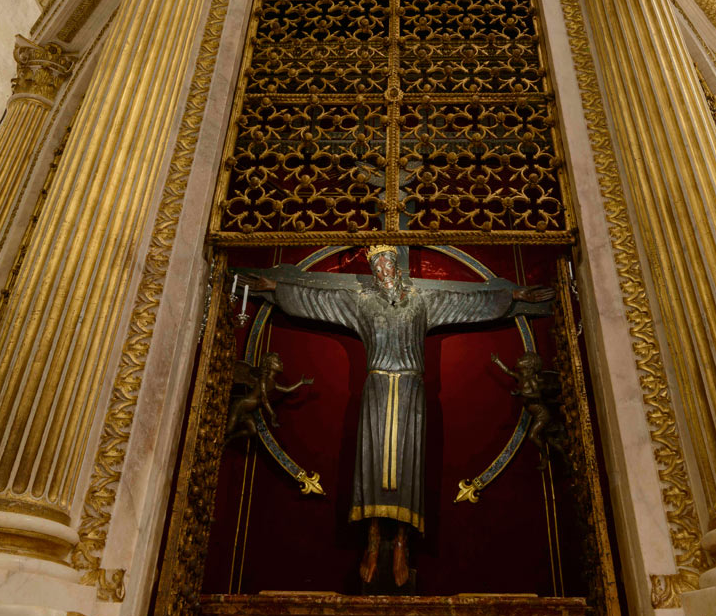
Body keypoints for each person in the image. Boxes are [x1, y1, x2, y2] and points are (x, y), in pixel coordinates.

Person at [236, 245, 552, 589]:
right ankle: (372, 540)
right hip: (376, 387)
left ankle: (402, 542)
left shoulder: (421, 301)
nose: (382, 271)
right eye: (376, 267)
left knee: (407, 462)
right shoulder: (362, 303)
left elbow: (468, 303)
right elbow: (318, 300)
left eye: (386, 264)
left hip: (411, 389)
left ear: (397, 268)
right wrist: (276, 288)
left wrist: (512, 296)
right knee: (371, 461)